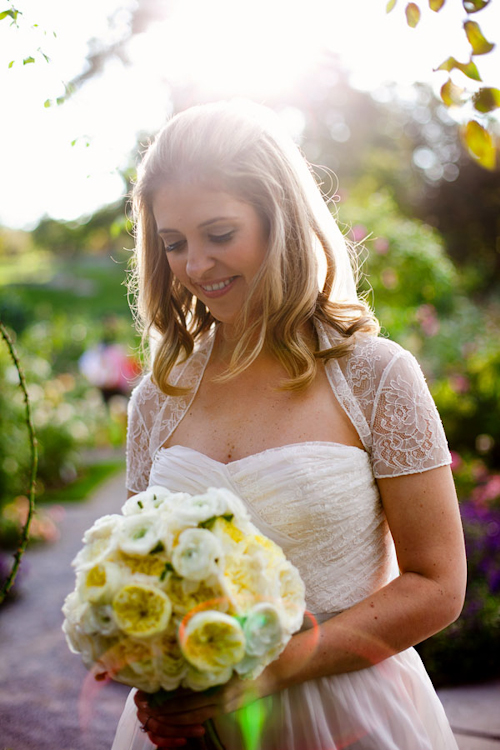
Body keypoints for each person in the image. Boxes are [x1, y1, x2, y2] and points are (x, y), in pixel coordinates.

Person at [111, 99, 466, 750]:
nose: (194, 266)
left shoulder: (374, 375)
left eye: (219, 235)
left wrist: (275, 670)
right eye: (174, 243)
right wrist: (155, 676)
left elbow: (438, 584)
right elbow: (139, 572)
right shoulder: (158, 398)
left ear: (281, 221)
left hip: (348, 716)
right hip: (196, 725)